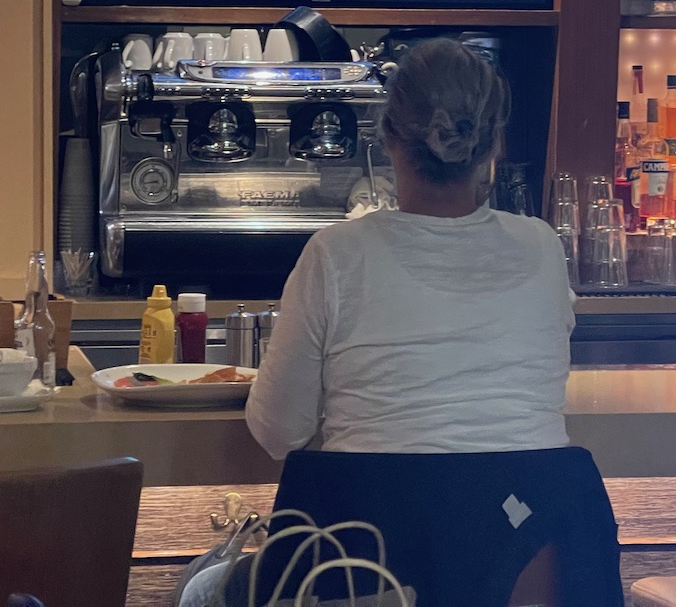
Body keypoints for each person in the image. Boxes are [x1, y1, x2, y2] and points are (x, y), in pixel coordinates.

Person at [245, 37, 572, 457]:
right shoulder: (542, 246)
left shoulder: (336, 254)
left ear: (387, 137)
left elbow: (278, 433)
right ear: (495, 145)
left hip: (368, 520)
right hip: (527, 517)